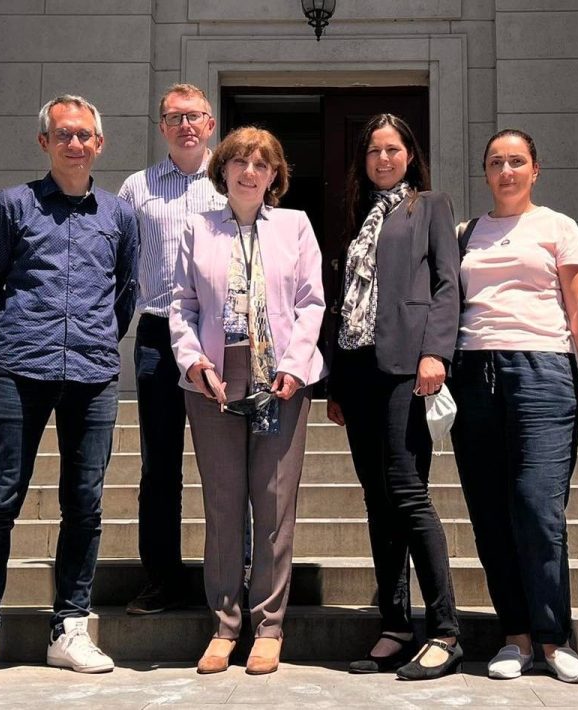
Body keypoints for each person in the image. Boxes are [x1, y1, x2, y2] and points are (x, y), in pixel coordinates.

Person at [0, 95, 139, 683]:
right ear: (45, 142)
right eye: (63, 135)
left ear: (99, 144)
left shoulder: (117, 216)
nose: (75, 144)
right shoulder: (13, 205)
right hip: (19, 370)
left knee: (84, 503)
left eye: (84, 135)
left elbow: (125, 293)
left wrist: (97, 340)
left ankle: (69, 626)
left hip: (93, 372)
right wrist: (13, 336)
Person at [168, 126, 326, 676]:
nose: (250, 171)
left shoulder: (295, 226)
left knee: (274, 505)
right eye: (240, 161)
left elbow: (311, 303)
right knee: (224, 506)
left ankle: (269, 626)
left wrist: (294, 364)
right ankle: (224, 625)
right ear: (224, 171)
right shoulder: (198, 228)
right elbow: (182, 305)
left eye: (261, 164)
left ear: (274, 175)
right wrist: (193, 361)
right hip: (215, 380)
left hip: (280, 378)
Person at [449, 129, 578, 684]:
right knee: (489, 512)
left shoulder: (557, 227)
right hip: (474, 371)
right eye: (496, 162)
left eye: (517, 161)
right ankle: (514, 636)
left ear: (535, 169)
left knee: (538, 508)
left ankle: (553, 636)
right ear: (485, 171)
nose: (506, 170)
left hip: (544, 369)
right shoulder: (468, 233)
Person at [324, 114, 463, 680]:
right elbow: (346, 299)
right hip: (357, 368)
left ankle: (447, 631)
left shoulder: (430, 206)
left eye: (392, 149)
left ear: (410, 154)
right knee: (376, 499)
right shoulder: (359, 217)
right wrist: (334, 380)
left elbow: (448, 284)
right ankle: (396, 624)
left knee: (407, 491)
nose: (382, 159)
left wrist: (438, 353)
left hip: (408, 363)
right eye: (373, 152)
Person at [117, 83, 226, 615]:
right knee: (159, 466)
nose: (186, 125)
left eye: (196, 117)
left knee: (226, 465)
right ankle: (160, 579)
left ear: (210, 124)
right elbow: (115, 262)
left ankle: (231, 581)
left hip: (218, 338)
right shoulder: (137, 188)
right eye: (175, 117)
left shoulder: (231, 183)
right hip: (159, 337)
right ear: (162, 126)